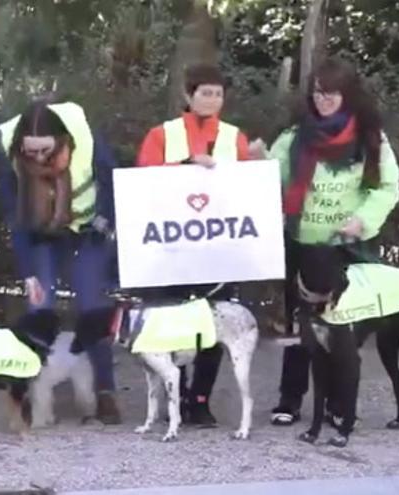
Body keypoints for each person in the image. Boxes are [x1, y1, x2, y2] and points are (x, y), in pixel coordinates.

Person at [259, 56, 399, 426]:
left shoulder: (371, 139)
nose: (323, 100)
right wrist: (255, 161)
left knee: (341, 331)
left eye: (331, 94)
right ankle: (290, 400)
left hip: (347, 248)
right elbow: (270, 176)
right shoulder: (294, 136)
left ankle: (340, 403)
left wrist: (363, 220)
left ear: (348, 95)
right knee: (298, 325)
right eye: (318, 93)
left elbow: (387, 188)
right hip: (302, 244)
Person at [135, 63, 253, 427]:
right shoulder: (161, 134)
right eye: (205, 92)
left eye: (218, 93)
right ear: (188, 95)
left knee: (212, 324)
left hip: (219, 246)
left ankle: (199, 400)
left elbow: (248, 186)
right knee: (174, 323)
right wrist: (186, 164)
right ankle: (175, 393)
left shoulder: (236, 137)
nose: (212, 99)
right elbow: (143, 179)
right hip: (172, 247)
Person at [0, 99, 122, 424]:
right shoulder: (7, 147)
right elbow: (16, 216)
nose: (38, 157)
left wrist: (106, 223)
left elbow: (111, 183)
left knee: (94, 306)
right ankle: (32, 394)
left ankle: (104, 390)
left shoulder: (85, 137)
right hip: (39, 234)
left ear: (62, 140)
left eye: (45, 150)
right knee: (40, 307)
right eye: (30, 151)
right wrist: (29, 275)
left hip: (86, 229)